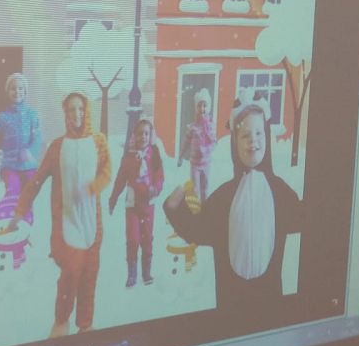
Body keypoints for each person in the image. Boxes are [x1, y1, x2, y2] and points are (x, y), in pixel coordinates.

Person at [164, 89, 303, 320]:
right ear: (234, 143)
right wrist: (176, 209)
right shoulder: (224, 197)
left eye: (259, 133)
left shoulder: (280, 192)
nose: (253, 140)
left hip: (271, 307)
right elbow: (200, 229)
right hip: (230, 307)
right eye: (245, 135)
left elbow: (301, 217)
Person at [8, 92, 110, 337]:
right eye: (72, 109)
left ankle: (85, 324)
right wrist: (20, 211)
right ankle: (61, 321)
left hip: (92, 224)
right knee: (71, 273)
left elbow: (106, 172)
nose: (77, 114)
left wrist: (92, 188)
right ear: (65, 113)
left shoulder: (98, 142)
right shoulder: (57, 147)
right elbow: (36, 181)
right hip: (67, 223)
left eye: (80, 108)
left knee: (90, 274)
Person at [109, 119, 165, 288]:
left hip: (148, 204)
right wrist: (113, 198)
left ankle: (146, 272)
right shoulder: (128, 158)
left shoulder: (154, 154)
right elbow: (120, 180)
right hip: (133, 205)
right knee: (133, 238)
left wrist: (156, 188)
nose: (143, 137)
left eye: (146, 133)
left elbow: (159, 176)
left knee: (147, 238)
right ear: (134, 135)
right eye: (140, 133)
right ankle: (132, 274)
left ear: (150, 135)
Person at [0, 72, 42, 194]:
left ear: (25, 91)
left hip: (29, 166)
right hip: (9, 166)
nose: (17, 91)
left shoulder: (32, 115)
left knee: (28, 195)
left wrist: (30, 152)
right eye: (13, 88)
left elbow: (38, 138)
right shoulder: (3, 117)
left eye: (20, 88)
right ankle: (10, 205)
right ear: (7, 92)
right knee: (13, 191)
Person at [177, 88, 216, 201]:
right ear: (196, 108)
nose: (202, 109)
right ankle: (196, 208)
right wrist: (180, 156)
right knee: (195, 190)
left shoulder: (210, 126)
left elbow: (214, 143)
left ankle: (205, 208)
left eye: (204, 106)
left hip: (206, 163)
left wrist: (207, 133)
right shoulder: (193, 127)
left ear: (208, 108)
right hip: (195, 164)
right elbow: (185, 142)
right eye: (199, 106)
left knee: (205, 188)